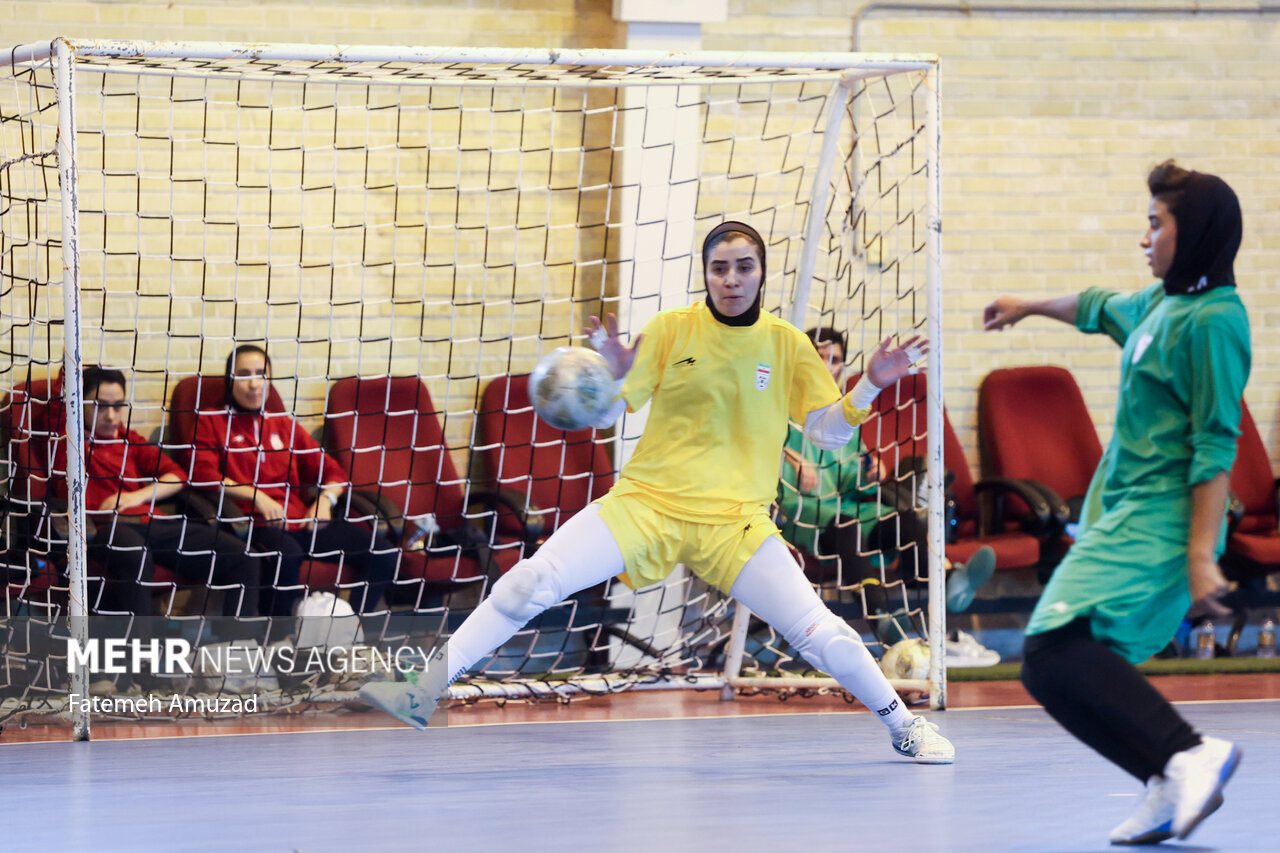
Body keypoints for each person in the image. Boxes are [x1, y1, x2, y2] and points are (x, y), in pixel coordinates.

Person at [362, 221, 955, 764]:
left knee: (825, 638)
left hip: (735, 524)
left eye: (743, 267)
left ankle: (905, 726)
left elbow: (826, 434)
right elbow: (609, 413)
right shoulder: (672, 330)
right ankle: (423, 690)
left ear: (761, 273)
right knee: (527, 585)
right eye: (719, 268)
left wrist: (870, 385)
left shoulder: (787, 345)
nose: (731, 279)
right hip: (645, 506)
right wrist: (613, 376)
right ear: (706, 274)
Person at [983, 161, 1249, 844]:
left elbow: (1217, 443)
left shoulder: (1216, 321)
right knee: (1048, 666)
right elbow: (1099, 306)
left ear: (1196, 232)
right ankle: (1165, 778)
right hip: (1123, 516)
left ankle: (1188, 753)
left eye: (1156, 224)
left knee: (1052, 647)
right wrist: (1028, 305)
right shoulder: (1162, 304)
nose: (1144, 238)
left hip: (1162, 521)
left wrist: (1200, 555)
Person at [776, 327, 997, 664]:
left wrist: (869, 473)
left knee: (901, 518)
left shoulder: (843, 412)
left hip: (842, 506)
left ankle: (949, 581)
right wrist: (789, 456)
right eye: (820, 357)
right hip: (797, 511)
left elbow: (850, 480)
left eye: (834, 359)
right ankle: (880, 614)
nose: (827, 366)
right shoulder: (779, 402)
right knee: (847, 525)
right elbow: (748, 444)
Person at [51, 367, 268, 671]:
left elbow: (177, 475)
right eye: (100, 406)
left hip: (149, 521)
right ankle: (142, 665)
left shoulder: (127, 438)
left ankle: (235, 660)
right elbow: (57, 400)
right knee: (136, 556)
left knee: (242, 556)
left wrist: (137, 497)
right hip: (102, 528)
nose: (111, 416)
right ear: (78, 404)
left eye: (118, 406)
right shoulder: (65, 437)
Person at [190, 345, 397, 616]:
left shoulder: (283, 424)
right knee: (286, 554)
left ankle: (352, 626)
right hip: (252, 524)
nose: (254, 384)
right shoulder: (211, 421)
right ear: (230, 380)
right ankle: (278, 635)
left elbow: (333, 472)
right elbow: (201, 474)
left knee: (382, 553)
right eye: (244, 375)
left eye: (261, 374)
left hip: (300, 522)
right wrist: (255, 495)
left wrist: (325, 500)